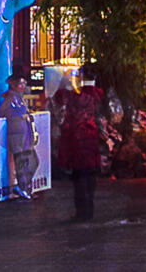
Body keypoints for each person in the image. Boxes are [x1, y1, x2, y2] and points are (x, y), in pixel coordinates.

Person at [56, 65, 106, 221]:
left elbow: (58, 97)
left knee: (79, 178)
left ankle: (82, 213)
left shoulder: (75, 96)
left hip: (77, 141)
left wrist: (66, 80)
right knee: (90, 177)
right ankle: (89, 211)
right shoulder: (99, 94)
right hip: (92, 139)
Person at [0, 74, 37, 200]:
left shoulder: (20, 99)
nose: (23, 86)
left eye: (25, 83)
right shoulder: (10, 99)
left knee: (32, 162)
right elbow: (4, 113)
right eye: (21, 83)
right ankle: (23, 188)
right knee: (22, 163)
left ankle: (24, 187)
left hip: (24, 136)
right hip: (17, 137)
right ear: (13, 85)